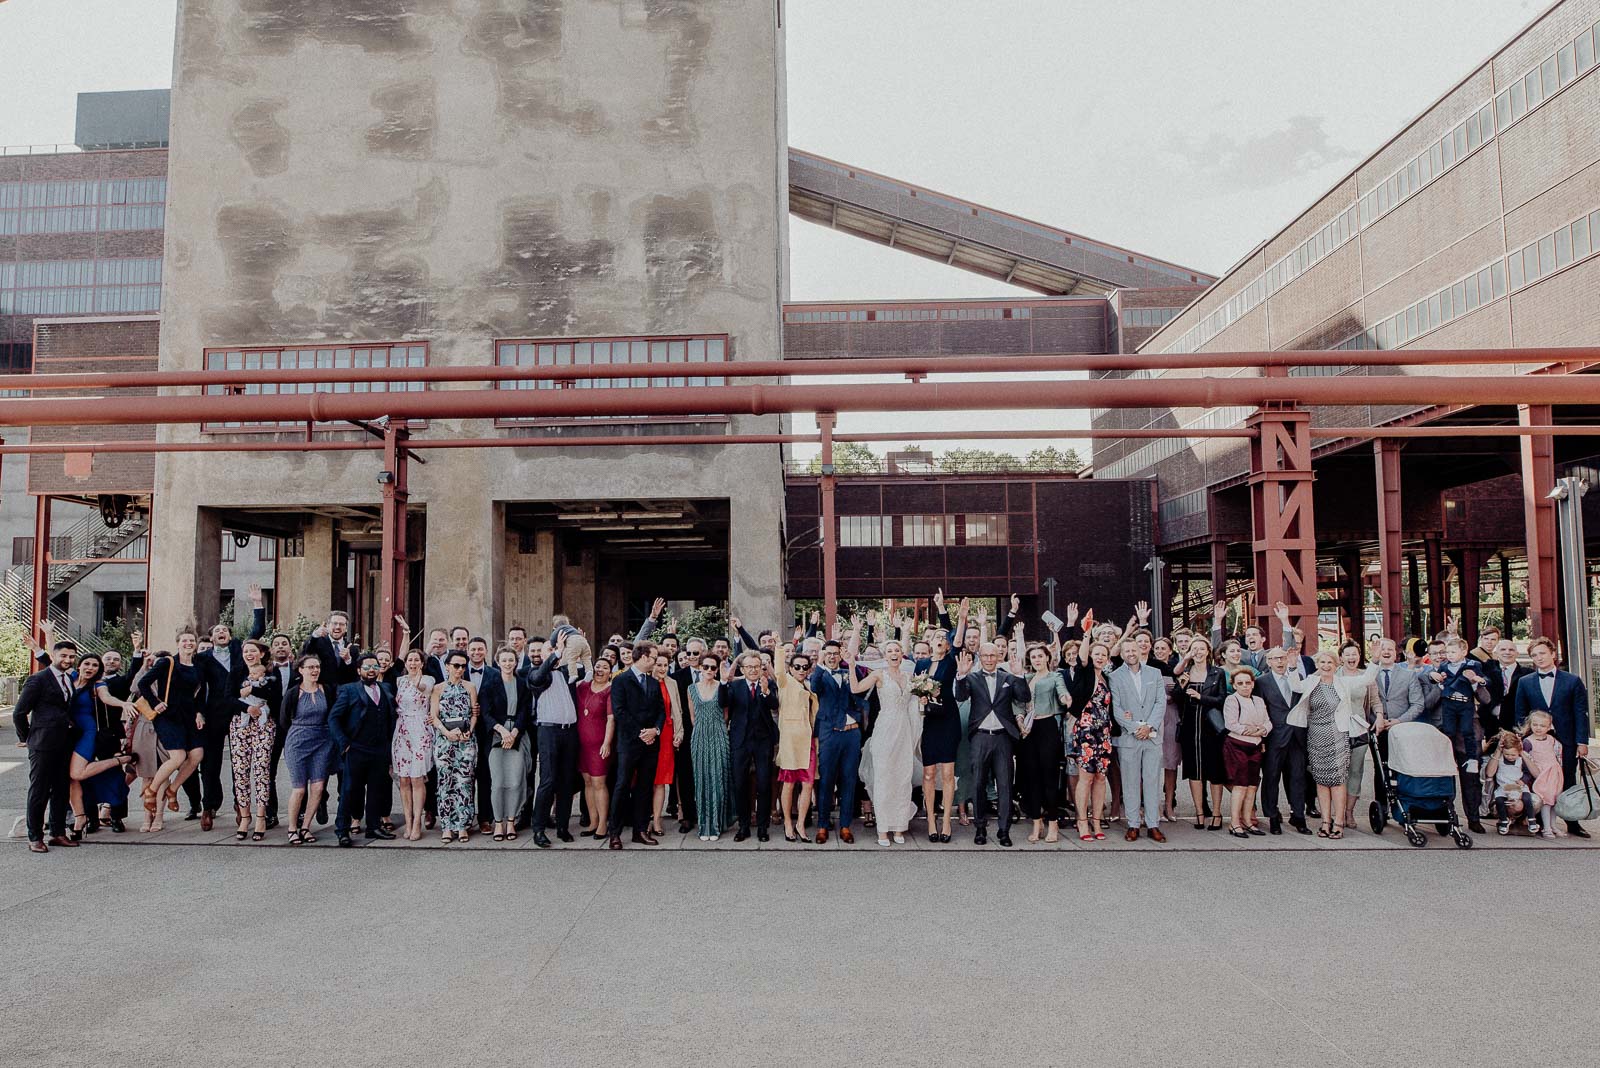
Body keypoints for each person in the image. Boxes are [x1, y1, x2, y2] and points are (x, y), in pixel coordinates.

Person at [1289, 648, 1376, 840]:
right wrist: (1293, 665)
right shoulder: (1311, 682)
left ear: (1336, 665)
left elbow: (1367, 679)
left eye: (1330, 663)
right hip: (1315, 735)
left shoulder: (1343, 682)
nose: (1326, 666)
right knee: (1321, 780)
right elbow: (1294, 685)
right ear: (1317, 665)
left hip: (1337, 735)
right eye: (1322, 663)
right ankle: (1325, 822)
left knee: (1337, 780)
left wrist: (1375, 659)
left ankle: (1338, 822)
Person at [15, 640, 87, 853]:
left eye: (71, 657)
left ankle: (57, 833)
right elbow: (19, 712)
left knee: (61, 789)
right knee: (39, 790)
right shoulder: (38, 679)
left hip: (64, 742)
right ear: (54, 656)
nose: (68, 660)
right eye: (64, 656)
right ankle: (35, 836)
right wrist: (28, 737)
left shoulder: (67, 679)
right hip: (42, 743)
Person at [135, 628, 209, 832]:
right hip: (168, 716)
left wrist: (200, 712)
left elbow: (200, 694)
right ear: (178, 643)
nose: (188, 643)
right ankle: (151, 791)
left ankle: (172, 790)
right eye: (184, 640)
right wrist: (155, 702)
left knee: (197, 755)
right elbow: (143, 683)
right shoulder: (167, 662)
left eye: (191, 640)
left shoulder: (198, 666)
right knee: (177, 757)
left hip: (189, 716)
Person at [954, 642, 1027, 847]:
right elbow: (960, 696)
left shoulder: (1008, 677)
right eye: (985, 655)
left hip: (1003, 737)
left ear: (998, 656)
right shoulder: (972, 677)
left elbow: (1024, 697)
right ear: (980, 656)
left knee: (1005, 785)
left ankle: (1004, 831)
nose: (988, 659)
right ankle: (980, 829)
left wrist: (1020, 675)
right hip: (980, 737)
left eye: (992, 655)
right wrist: (960, 676)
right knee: (978, 784)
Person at [329, 653, 399, 847]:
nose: (371, 670)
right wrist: (344, 743)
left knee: (377, 789)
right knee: (349, 789)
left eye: (375, 666)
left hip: (380, 749)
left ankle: (373, 827)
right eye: (367, 667)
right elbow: (334, 718)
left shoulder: (386, 688)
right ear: (359, 670)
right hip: (356, 748)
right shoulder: (348, 690)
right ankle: (342, 830)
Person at [855, 639, 920, 846]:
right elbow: (856, 689)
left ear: (902, 654)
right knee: (884, 777)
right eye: (890, 651)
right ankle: (883, 829)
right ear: (885, 655)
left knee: (902, 777)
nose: (893, 653)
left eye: (897, 650)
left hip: (904, 729)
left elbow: (916, 701)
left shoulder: (910, 677)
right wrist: (849, 665)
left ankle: (899, 827)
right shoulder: (878, 675)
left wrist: (925, 697)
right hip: (885, 728)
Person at [528, 636, 590, 847]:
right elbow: (537, 679)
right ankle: (539, 829)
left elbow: (584, 668)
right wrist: (555, 653)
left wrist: (575, 645)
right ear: (544, 655)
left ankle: (563, 826)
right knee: (548, 780)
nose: (557, 651)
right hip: (548, 732)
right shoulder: (536, 673)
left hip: (570, 732)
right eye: (551, 649)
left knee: (566, 781)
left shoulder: (567, 672)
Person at [1427, 637, 1491, 834]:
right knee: (1443, 777)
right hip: (1443, 732)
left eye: (1444, 651)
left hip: (1468, 731)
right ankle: (1446, 817)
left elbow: (1486, 699)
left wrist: (1473, 683)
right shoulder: (1435, 674)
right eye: (1437, 653)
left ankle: (1474, 817)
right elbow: (1427, 704)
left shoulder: (1472, 668)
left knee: (1470, 777)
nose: (1442, 656)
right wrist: (1442, 685)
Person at [607, 642, 667, 849]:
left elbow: (661, 711)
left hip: (651, 744)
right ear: (643, 657)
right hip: (629, 742)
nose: (655, 661)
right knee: (622, 786)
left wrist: (655, 731)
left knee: (644, 787)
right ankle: (614, 832)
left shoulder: (653, 682)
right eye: (653, 658)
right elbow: (620, 711)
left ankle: (640, 831)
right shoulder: (621, 680)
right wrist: (641, 733)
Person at [1109, 637, 1167, 843]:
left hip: (1151, 737)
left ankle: (1153, 824)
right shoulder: (1115, 677)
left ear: (1140, 650)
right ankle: (1133, 824)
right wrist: (1134, 728)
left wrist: (1149, 726)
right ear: (1122, 654)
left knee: (1152, 781)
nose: (1131, 654)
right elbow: (1115, 708)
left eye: (1134, 650)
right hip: (1129, 737)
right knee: (1130, 782)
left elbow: (1161, 702)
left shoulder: (1155, 673)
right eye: (1126, 651)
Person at [916, 609, 964, 843]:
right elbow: (916, 691)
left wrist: (952, 614)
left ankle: (946, 820)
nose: (941, 641)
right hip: (929, 721)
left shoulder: (950, 662)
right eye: (937, 638)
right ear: (930, 642)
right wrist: (921, 698)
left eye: (944, 640)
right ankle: (931, 820)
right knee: (928, 773)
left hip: (948, 720)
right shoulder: (921, 664)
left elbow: (957, 638)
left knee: (947, 773)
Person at [810, 640, 864, 845]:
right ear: (824, 655)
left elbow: (859, 689)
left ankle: (845, 826)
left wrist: (850, 663)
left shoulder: (849, 671)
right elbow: (815, 687)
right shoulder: (821, 674)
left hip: (851, 734)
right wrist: (821, 664)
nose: (832, 656)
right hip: (830, 734)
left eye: (835, 653)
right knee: (826, 780)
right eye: (829, 653)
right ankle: (823, 825)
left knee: (849, 780)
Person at [278, 655, 335, 845]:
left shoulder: (326, 690)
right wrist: (299, 732)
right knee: (299, 788)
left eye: (317, 667)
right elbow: (284, 720)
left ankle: (306, 827)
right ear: (300, 670)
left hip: (322, 741)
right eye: (310, 667)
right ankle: (292, 828)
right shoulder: (293, 693)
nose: (314, 670)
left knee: (318, 787)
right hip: (297, 741)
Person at [726, 650, 780, 843]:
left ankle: (763, 827)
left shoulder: (768, 683)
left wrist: (765, 693)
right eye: (749, 667)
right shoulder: (736, 685)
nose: (753, 670)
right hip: (740, 741)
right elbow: (723, 702)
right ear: (743, 669)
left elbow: (774, 705)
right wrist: (725, 682)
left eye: (756, 667)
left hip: (763, 741)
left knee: (764, 784)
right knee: (740, 784)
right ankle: (743, 826)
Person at [480, 645, 532, 843]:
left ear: (516, 662)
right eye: (504, 660)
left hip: (517, 735)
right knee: (498, 782)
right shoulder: (490, 684)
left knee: (516, 781)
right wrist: (502, 732)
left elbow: (525, 711)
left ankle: (512, 820)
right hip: (496, 736)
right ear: (498, 662)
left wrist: (514, 732)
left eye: (511, 660)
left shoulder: (522, 683)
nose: (508, 663)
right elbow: (486, 713)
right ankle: (499, 822)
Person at [1018, 642, 1070, 843]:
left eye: (1040, 656)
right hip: (1029, 730)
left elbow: (1062, 691)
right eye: (1034, 657)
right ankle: (1036, 822)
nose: (1037, 660)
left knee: (1049, 778)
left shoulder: (1054, 676)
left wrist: (1066, 698)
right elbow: (1019, 703)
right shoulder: (1027, 678)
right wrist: (1020, 720)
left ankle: (1053, 823)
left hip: (1047, 727)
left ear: (1047, 658)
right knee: (1032, 778)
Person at [230, 641, 280, 842]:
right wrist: (246, 708)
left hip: (264, 724)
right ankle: (244, 816)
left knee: (261, 769)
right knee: (240, 771)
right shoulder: (236, 672)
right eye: (246, 651)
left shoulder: (270, 673)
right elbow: (227, 698)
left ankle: (261, 816)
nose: (249, 654)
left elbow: (275, 698)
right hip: (240, 724)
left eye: (253, 651)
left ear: (261, 653)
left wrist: (252, 691)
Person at [1257, 646, 1310, 835]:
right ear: (1268, 662)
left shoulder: (1297, 679)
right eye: (1275, 659)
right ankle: (1272, 816)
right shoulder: (1261, 682)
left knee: (1297, 777)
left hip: (1296, 736)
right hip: (1274, 737)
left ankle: (1299, 816)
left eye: (1282, 658)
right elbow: (1260, 710)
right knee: (1271, 777)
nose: (1279, 662)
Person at [1176, 637, 1227, 830]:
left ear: (1208, 652)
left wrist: (1201, 697)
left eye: (1201, 649)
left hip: (1211, 728)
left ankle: (1216, 813)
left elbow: (1222, 699)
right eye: (1194, 649)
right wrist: (1182, 686)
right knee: (1194, 771)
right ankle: (1199, 812)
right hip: (1190, 728)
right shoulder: (1185, 672)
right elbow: (1176, 700)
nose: (1198, 652)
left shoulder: (1217, 673)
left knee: (1214, 772)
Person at [1067, 638, 1114, 841]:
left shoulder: (1107, 678)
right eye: (1097, 654)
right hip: (1085, 731)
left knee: (1101, 778)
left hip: (1103, 733)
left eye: (1104, 654)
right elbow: (1082, 658)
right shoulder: (1084, 673)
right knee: (1085, 778)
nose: (1100, 657)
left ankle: (1097, 820)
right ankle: (1082, 821)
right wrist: (1086, 635)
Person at [430, 652, 480, 843]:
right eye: (456, 665)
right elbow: (433, 716)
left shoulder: (470, 687)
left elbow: (474, 713)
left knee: (465, 782)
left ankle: (463, 825)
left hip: (466, 741)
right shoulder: (438, 688)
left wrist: (470, 730)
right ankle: (447, 826)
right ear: (447, 666)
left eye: (463, 666)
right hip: (444, 741)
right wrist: (446, 732)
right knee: (445, 782)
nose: (460, 669)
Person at [1221, 669, 1271, 838]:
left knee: (1252, 786)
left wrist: (1262, 730)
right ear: (1234, 685)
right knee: (1240, 785)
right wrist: (1249, 731)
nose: (1244, 686)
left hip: (1255, 747)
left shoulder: (1258, 700)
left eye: (1247, 683)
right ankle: (1234, 823)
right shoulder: (1232, 700)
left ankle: (1248, 820)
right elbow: (1231, 724)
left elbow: (1267, 722)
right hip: (1237, 746)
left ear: (1253, 684)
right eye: (1240, 683)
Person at [687, 654, 732, 841]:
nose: (709, 671)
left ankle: (717, 824)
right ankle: (704, 825)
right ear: (700, 667)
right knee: (702, 780)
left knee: (718, 779)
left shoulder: (722, 687)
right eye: (706, 667)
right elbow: (692, 716)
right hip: (699, 737)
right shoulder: (691, 689)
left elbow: (726, 714)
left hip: (719, 736)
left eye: (713, 668)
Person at [391, 649, 434, 841]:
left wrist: (416, 681)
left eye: (417, 660)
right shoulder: (400, 681)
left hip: (420, 729)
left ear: (422, 663)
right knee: (404, 779)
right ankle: (407, 822)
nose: (413, 663)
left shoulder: (429, 679)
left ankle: (418, 822)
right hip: (402, 731)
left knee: (417, 778)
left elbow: (423, 688)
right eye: (410, 660)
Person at [775, 646, 817, 842]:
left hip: (808, 741)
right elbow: (778, 672)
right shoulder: (785, 683)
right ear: (790, 668)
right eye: (797, 666)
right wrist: (778, 647)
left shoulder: (808, 685)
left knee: (808, 784)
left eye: (805, 667)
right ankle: (787, 823)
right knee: (789, 783)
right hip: (790, 742)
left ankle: (801, 823)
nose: (801, 670)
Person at [576, 657, 617, 839]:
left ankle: (602, 824)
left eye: (605, 667)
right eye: (598, 666)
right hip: (582, 745)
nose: (600, 669)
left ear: (610, 672)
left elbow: (611, 719)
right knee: (588, 782)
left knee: (599, 783)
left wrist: (607, 743)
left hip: (599, 746)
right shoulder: (582, 687)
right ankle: (593, 821)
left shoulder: (610, 689)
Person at [650, 654, 685, 837]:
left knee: (661, 781)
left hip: (666, 734)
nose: (662, 668)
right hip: (648, 735)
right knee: (646, 779)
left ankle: (657, 820)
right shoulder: (646, 681)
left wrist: (679, 734)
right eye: (659, 664)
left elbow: (677, 710)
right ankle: (644, 819)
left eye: (665, 665)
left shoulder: (672, 683)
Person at [1485, 730, 1540, 836]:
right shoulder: (1499, 758)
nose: (1510, 757)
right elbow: (1489, 773)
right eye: (1507, 754)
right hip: (1504, 787)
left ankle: (1531, 819)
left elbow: (1535, 773)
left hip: (1518, 786)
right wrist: (1498, 751)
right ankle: (1504, 820)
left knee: (1527, 798)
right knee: (1500, 799)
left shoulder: (1520, 758)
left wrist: (1522, 752)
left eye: (1513, 755)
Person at [1521, 710, 1565, 839]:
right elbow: (1525, 760)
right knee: (1546, 801)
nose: (1538, 728)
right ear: (1530, 725)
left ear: (1549, 726)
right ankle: (1546, 828)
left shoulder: (1551, 739)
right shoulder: (1528, 742)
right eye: (1535, 725)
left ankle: (1553, 825)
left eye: (1542, 726)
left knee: (1555, 801)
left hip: (1554, 773)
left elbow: (1557, 755)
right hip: (1542, 775)